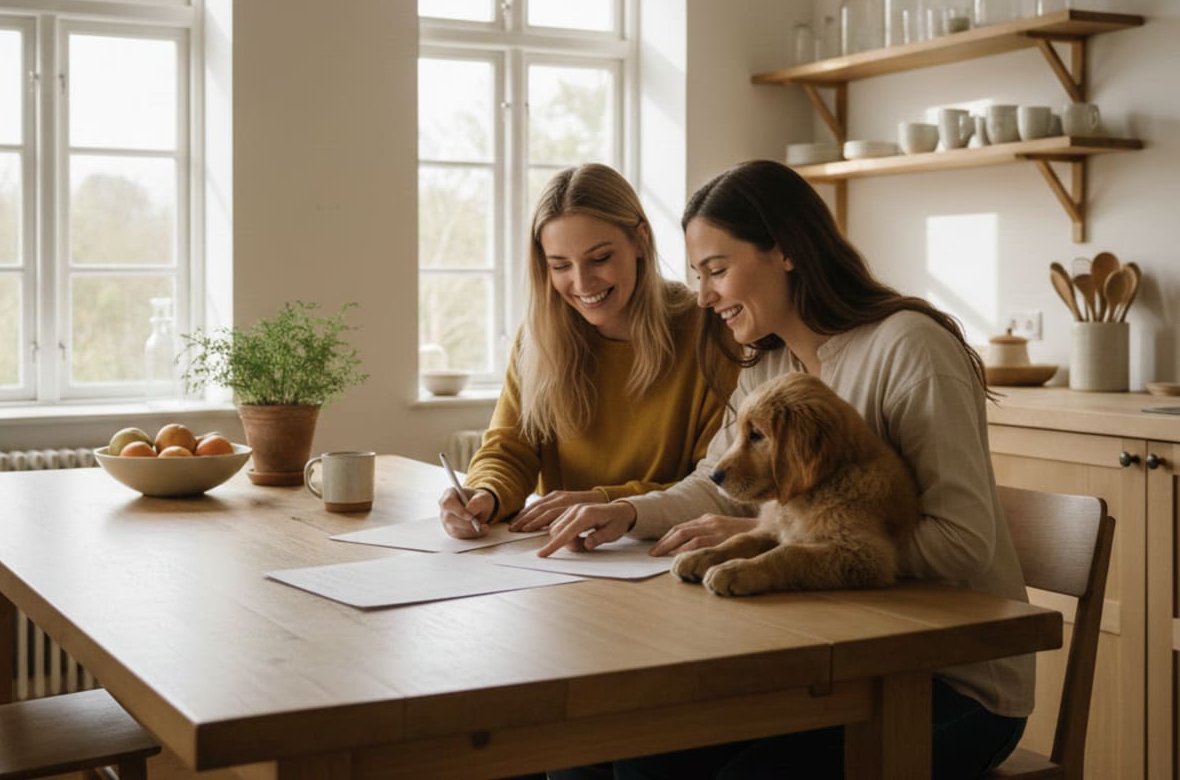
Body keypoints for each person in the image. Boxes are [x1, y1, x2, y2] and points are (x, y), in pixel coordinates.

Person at [539, 159, 1032, 780]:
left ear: (787, 253)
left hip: (949, 684)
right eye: (698, 274)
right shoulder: (766, 365)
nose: (705, 295)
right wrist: (629, 511)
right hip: (831, 661)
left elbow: (962, 543)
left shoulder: (909, 349)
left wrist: (790, 542)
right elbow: (718, 486)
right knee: (619, 757)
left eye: (718, 270)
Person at [439, 163, 737, 539]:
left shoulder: (708, 330)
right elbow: (509, 448)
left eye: (600, 259)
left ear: (640, 239)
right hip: (561, 559)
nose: (582, 283)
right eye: (560, 265)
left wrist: (606, 502)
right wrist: (486, 494)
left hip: (664, 554)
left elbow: (716, 482)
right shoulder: (539, 337)